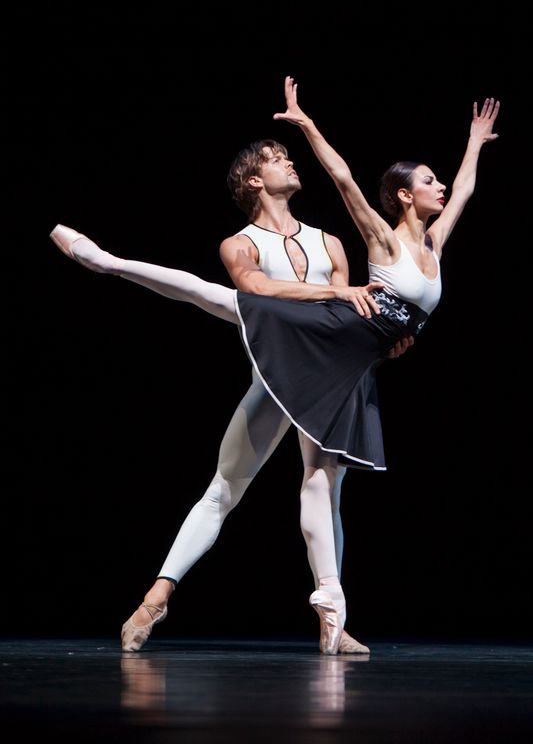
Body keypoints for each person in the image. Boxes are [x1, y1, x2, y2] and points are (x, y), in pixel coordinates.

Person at [49, 81, 499, 654]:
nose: (287, 162)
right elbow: (263, 289)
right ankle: (155, 597)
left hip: (335, 366)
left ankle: (332, 618)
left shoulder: (331, 243)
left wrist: (383, 345)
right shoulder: (241, 243)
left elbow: (360, 307)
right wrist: (307, 128)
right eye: (276, 157)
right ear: (254, 181)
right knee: (225, 480)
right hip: (281, 367)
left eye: (287, 155)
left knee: (324, 487)